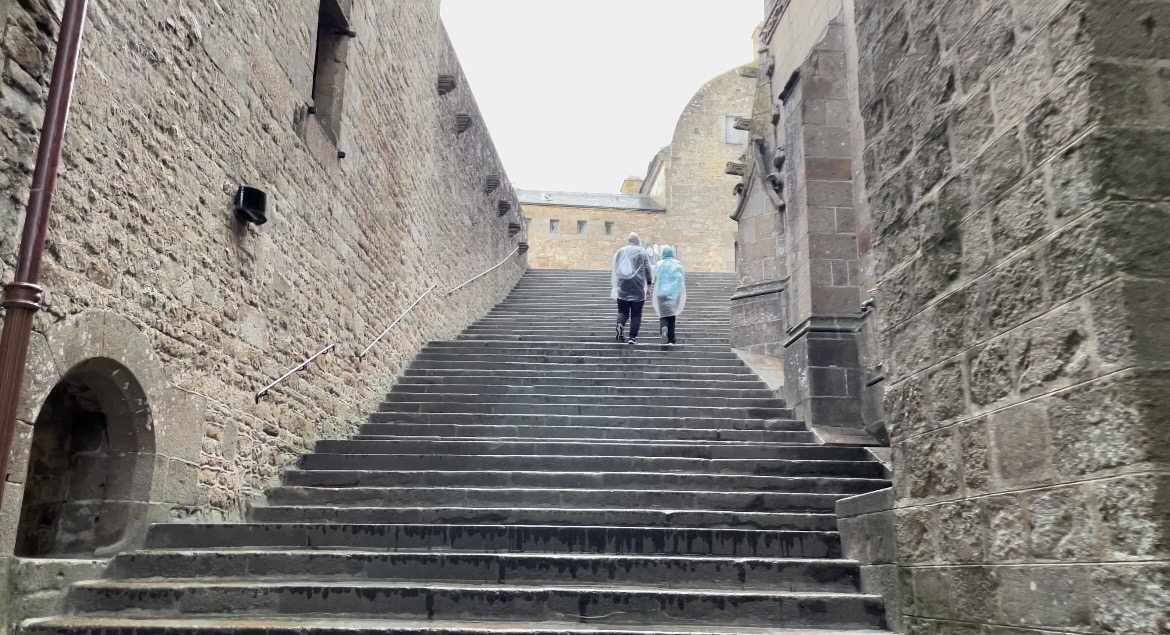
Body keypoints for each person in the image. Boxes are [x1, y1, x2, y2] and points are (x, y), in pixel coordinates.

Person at [611, 233, 653, 345]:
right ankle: (632, 338)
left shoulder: (620, 252)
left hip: (623, 285)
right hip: (638, 287)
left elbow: (616, 268)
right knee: (636, 313)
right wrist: (649, 285)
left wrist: (617, 285)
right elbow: (647, 268)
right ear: (637, 241)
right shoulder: (641, 252)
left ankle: (620, 324)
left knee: (622, 310)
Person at [652, 246, 686, 345]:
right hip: (674, 294)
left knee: (663, 315)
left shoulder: (659, 264)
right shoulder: (678, 265)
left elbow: (655, 277)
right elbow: (682, 278)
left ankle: (663, 328)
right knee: (671, 316)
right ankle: (671, 339)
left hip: (661, 294)